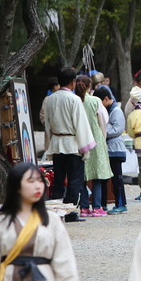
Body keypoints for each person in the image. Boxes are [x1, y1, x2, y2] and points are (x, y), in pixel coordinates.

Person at [44, 67, 96, 221]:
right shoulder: (74, 99)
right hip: (72, 144)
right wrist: (85, 148)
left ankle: (56, 212)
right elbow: (81, 125)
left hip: (57, 142)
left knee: (58, 180)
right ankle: (70, 211)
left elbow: (47, 124)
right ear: (73, 82)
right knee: (75, 180)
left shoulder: (50, 99)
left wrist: (50, 142)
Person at [75, 75, 112, 218]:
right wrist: (102, 136)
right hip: (95, 140)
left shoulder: (74, 101)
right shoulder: (95, 101)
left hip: (79, 140)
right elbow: (103, 120)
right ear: (89, 86)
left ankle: (84, 207)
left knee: (81, 176)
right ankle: (97, 207)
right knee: (97, 175)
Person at [94, 86, 128, 215]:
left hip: (115, 149)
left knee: (117, 178)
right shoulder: (108, 109)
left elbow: (117, 130)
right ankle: (103, 204)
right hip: (107, 148)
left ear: (106, 98)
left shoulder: (116, 111)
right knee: (105, 179)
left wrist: (101, 130)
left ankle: (121, 204)